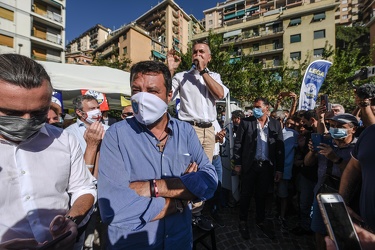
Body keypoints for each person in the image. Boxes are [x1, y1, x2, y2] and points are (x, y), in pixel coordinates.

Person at [97, 61, 218, 249]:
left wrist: (153, 187)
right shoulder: (116, 135)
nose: (143, 98)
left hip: (179, 241)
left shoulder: (185, 131)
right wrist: (181, 200)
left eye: (152, 91)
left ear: (169, 96)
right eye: (136, 90)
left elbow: (209, 181)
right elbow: (114, 209)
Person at [0, 53, 96, 249]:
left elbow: (84, 189)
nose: (26, 120)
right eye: (13, 113)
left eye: (38, 112)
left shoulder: (64, 140)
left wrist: (72, 218)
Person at [167, 42, 229, 162]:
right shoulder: (181, 77)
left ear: (209, 58)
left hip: (210, 131)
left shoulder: (214, 77)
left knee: (205, 172)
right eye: (195, 52)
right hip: (191, 129)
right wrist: (170, 70)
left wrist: (202, 71)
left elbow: (220, 94)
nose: (197, 54)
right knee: (189, 169)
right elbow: (166, 97)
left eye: (201, 52)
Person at [304, 113, 358, 250]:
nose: (334, 129)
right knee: (319, 229)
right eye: (332, 126)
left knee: (342, 235)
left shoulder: (358, 148)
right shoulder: (326, 142)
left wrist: (336, 159)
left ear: (353, 129)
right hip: (321, 194)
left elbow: (358, 174)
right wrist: (312, 152)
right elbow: (307, 163)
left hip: (346, 198)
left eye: (340, 126)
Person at [233, 97, 284, 240]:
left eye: (258, 107)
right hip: (250, 166)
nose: (255, 109)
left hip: (266, 167)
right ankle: (243, 221)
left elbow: (280, 148)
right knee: (245, 194)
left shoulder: (275, 125)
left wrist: (279, 169)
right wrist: (238, 163)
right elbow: (238, 144)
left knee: (262, 196)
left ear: (267, 108)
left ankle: (260, 220)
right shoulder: (246, 122)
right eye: (254, 106)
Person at [340, 83, 375, 234]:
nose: (370, 106)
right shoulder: (368, 134)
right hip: (366, 227)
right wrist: (342, 203)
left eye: (370, 103)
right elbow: (352, 168)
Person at [65, 95, 108, 178]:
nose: (97, 111)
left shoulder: (109, 130)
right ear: (79, 112)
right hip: (83, 178)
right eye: (92, 109)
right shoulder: (69, 133)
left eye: (98, 108)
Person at [274, 110, 299, 232]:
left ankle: (282, 216)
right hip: (269, 170)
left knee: (283, 195)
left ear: (281, 120)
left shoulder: (293, 134)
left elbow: (300, 150)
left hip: (285, 171)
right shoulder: (267, 133)